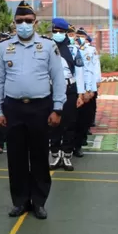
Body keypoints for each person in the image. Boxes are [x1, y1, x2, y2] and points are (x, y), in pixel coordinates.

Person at [0, 1, 65, 220]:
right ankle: (20, 201)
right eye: (19, 21)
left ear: (35, 23)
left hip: (40, 108)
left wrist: (58, 108)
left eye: (28, 21)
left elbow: (58, 78)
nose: (24, 25)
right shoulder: (4, 47)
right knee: (16, 157)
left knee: (40, 156)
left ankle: (39, 201)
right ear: (14, 24)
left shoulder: (48, 46)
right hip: (13, 108)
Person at [48, 18, 86, 171]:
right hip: (51, 89)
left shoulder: (74, 50)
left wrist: (80, 94)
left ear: (65, 33)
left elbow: (80, 72)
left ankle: (67, 155)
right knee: (53, 124)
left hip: (69, 89)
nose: (57, 34)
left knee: (69, 123)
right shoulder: (47, 48)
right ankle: (55, 155)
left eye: (60, 32)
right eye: (55, 31)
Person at [75, 28, 100, 147]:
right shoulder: (71, 50)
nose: (79, 38)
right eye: (77, 35)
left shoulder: (90, 50)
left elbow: (93, 69)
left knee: (84, 115)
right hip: (72, 87)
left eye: (82, 36)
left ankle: (81, 138)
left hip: (86, 86)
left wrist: (92, 88)